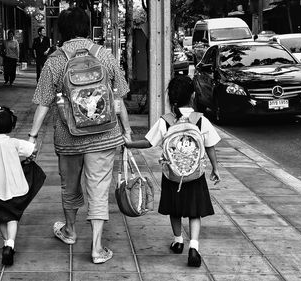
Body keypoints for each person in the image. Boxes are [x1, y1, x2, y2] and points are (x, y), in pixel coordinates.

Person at [27, 7, 133, 264]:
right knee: (99, 188)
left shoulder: (55, 60)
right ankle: (97, 248)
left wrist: (32, 136)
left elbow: (43, 102)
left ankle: (71, 231)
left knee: (69, 186)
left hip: (68, 137)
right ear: (87, 28)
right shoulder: (106, 56)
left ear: (61, 30)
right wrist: (127, 131)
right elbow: (118, 98)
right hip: (105, 135)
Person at [124, 75, 221, 267]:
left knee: (174, 210)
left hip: (172, 176)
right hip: (195, 174)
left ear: (170, 99)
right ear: (193, 96)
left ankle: (178, 241)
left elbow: (149, 142)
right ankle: (194, 246)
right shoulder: (200, 121)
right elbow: (210, 146)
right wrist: (215, 168)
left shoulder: (166, 121)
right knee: (195, 212)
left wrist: (130, 144)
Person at [0, 105, 45, 266]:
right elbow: (33, 149)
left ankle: (6, 244)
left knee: (1, 218)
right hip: (16, 187)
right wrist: (27, 159)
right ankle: (11, 244)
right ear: (11, 125)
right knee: (13, 218)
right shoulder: (15, 143)